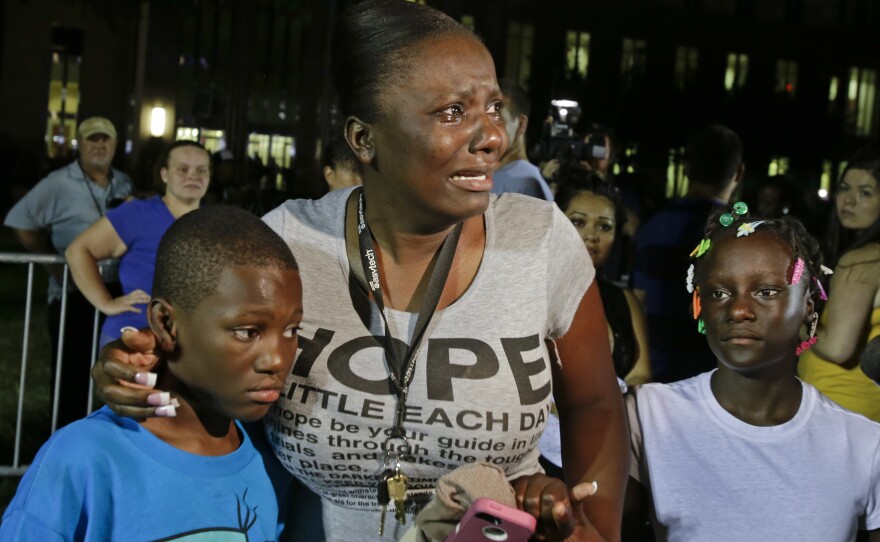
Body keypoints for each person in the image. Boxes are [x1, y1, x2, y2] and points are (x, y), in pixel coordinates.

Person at [91, 1, 628, 541]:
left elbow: (595, 403)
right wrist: (148, 375)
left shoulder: (540, 240)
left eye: (492, 109)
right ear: (363, 139)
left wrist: (598, 531)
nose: (491, 137)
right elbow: (204, 375)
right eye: (451, 112)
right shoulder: (286, 244)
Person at [0, 205, 302, 540]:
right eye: (247, 331)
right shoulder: (85, 458)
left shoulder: (269, 464)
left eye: (291, 330)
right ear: (165, 324)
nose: (277, 359)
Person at [623, 204, 880, 541]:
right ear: (700, 305)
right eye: (719, 293)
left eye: (766, 292)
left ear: (808, 307)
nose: (739, 309)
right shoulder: (648, 415)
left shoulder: (863, 444)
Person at [4, 116, 133, 428]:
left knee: (118, 368)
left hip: (119, 291)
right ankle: (63, 438)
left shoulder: (124, 183)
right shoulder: (57, 183)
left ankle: (109, 435)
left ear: (115, 145)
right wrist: (53, 264)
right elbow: (21, 222)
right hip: (73, 292)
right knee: (71, 372)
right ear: (80, 144)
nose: (99, 145)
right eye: (92, 139)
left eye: (106, 139)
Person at [539, 166, 651, 480]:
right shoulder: (529, 291)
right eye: (578, 222)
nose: (591, 235)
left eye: (605, 226)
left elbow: (641, 375)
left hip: (610, 452)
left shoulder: (624, 301)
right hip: (536, 458)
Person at [65, 140, 211, 347]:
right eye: (182, 169)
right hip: (135, 334)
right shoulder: (137, 214)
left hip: (191, 343)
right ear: (164, 174)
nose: (193, 175)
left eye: (201, 170)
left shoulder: (215, 222)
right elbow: (78, 251)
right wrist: (106, 303)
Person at [631, 124, 743, 383]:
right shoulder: (740, 234)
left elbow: (638, 301)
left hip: (656, 373)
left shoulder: (653, 227)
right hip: (714, 377)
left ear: (686, 168)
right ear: (738, 172)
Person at [798, 143, 880, 422]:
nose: (849, 200)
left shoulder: (862, 261)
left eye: (865, 192)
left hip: (840, 412)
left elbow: (837, 348)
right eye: (844, 188)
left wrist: (795, 321)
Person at [490, 80, 554, 201]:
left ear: (521, 124)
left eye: (497, 120)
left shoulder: (522, 183)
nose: (486, 132)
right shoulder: (508, 176)